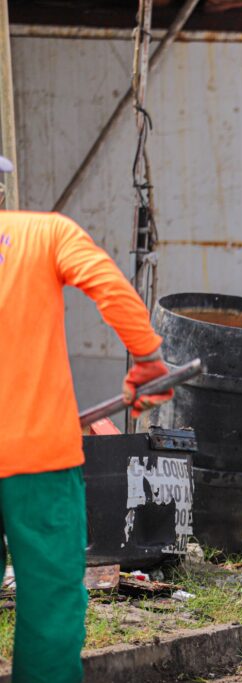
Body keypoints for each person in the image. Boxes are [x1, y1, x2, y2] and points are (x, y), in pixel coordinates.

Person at [0, 155, 173, 682]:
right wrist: (146, 361)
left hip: (39, 459)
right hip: (37, 461)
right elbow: (110, 287)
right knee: (49, 603)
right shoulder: (44, 233)